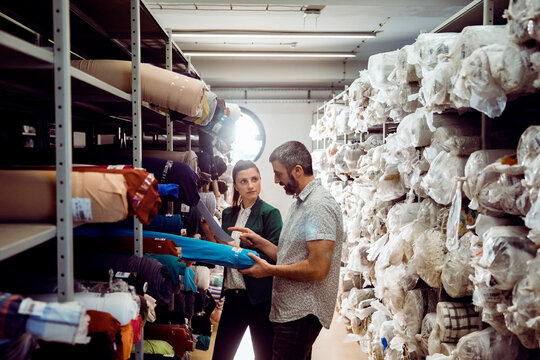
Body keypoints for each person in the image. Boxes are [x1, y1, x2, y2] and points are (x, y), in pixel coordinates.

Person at [231, 141, 344, 360]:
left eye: (278, 173)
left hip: (301, 313)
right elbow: (289, 256)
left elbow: (318, 268)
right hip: (290, 311)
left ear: (297, 170)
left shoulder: (318, 206)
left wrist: (270, 270)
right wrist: (260, 242)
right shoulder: (300, 202)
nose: (275, 180)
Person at [201, 160, 283, 360]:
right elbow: (225, 252)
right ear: (236, 185)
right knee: (221, 355)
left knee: (263, 355)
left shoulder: (270, 214)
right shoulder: (229, 214)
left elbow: (277, 257)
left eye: (254, 179)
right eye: (244, 181)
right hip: (233, 296)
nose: (250, 185)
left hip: (259, 298)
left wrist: (241, 250)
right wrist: (209, 234)